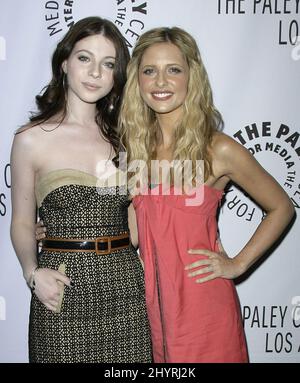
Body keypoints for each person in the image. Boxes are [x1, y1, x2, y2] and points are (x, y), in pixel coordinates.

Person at [118, 27, 295, 362]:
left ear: (191, 76)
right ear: (137, 80)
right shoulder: (134, 150)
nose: (161, 82)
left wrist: (238, 263)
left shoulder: (217, 148)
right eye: (149, 71)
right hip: (152, 310)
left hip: (204, 306)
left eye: (173, 70)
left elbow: (282, 207)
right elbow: (134, 233)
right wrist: (62, 231)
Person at [10, 16, 152, 363]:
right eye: (84, 58)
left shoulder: (127, 139)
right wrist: (32, 273)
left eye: (108, 64)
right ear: (64, 63)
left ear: (117, 75)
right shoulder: (30, 139)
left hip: (124, 286)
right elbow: (22, 222)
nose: (94, 73)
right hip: (61, 287)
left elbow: (138, 225)